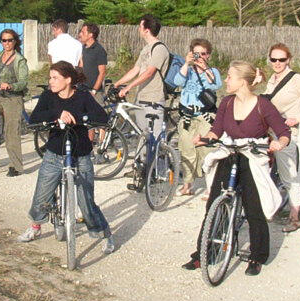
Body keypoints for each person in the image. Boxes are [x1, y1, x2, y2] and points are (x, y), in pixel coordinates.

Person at [183, 61, 289, 276]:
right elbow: (216, 130)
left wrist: (280, 143)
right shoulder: (227, 103)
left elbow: (283, 131)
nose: (226, 80)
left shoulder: (263, 105)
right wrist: (205, 139)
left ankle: (257, 256)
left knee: (254, 208)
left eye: (230, 76)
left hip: (252, 156)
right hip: (230, 153)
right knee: (214, 205)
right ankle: (204, 253)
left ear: (242, 81)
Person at [18, 61, 116, 254]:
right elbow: (35, 118)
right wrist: (57, 114)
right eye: (50, 77)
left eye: (55, 78)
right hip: (54, 154)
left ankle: (105, 234)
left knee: (86, 203)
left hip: (80, 156)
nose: (51, 81)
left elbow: (101, 117)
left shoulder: (83, 96)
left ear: (68, 80)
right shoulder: (48, 96)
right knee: (41, 196)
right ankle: (35, 227)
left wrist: (79, 118)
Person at [263, 43, 300, 231]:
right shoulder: (272, 79)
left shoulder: (296, 80)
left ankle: (294, 217)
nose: (277, 63)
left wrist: (298, 118)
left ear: (288, 60)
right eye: (274, 59)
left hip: (285, 132)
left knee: (289, 175)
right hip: (268, 129)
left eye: (281, 59)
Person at [111, 15, 171, 185]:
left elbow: (150, 72)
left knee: (155, 138)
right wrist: (118, 83)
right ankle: (140, 168)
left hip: (153, 99)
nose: (138, 29)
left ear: (146, 29)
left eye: (140, 26)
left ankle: (159, 172)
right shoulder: (146, 49)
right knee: (143, 135)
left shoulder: (160, 49)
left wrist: (128, 87)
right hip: (141, 98)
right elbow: (136, 69)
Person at [176, 37, 222, 197]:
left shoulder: (213, 71)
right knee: (186, 149)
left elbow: (216, 85)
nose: (199, 57)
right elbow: (177, 81)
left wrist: (205, 68)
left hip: (205, 115)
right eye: (196, 54)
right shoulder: (188, 71)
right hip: (188, 115)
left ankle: (211, 188)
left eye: (203, 54)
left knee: (207, 150)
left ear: (208, 55)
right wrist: (186, 63)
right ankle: (187, 185)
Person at [0, 28, 29, 176]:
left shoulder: (19, 60)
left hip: (12, 98)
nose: (7, 43)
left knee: (11, 131)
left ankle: (16, 166)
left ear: (15, 41)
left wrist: (10, 86)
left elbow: (23, 82)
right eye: (4, 40)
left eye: (10, 40)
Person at [76, 22, 107, 95]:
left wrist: (94, 90)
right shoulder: (82, 48)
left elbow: (102, 73)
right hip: (81, 88)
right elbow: (81, 67)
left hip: (93, 91)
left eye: (83, 32)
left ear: (90, 35)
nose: (80, 34)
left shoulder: (99, 50)